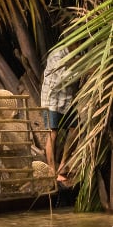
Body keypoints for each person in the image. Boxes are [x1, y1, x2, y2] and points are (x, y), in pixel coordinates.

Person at [40, 43, 77, 183]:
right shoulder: (57, 54)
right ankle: (51, 171)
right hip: (52, 100)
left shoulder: (75, 53)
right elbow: (61, 78)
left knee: (76, 128)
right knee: (52, 133)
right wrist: (83, 69)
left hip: (67, 101)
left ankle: (62, 166)